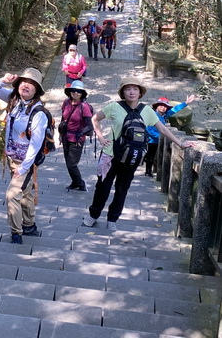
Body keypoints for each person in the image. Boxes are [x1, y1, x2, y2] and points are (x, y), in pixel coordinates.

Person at [83, 77, 197, 230]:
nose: (131, 92)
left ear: (140, 92)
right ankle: (93, 215)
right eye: (128, 89)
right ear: (123, 92)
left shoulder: (147, 110)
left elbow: (162, 129)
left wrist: (180, 143)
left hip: (132, 157)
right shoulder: (114, 107)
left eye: (135, 89)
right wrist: (101, 137)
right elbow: (95, 118)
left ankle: (113, 219)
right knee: (102, 188)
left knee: (122, 189)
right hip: (111, 155)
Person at [0, 68, 47, 244]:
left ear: (37, 90)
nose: (26, 85)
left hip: (26, 162)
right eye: (23, 81)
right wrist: (4, 80)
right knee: (25, 192)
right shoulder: (14, 100)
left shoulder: (39, 114)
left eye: (31, 83)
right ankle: (29, 225)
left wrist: (23, 167)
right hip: (12, 157)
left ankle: (16, 232)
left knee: (12, 194)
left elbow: (36, 145)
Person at [145, 95, 196, 177]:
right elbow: (149, 130)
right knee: (151, 155)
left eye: (165, 106)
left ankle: (147, 164)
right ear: (157, 107)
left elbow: (175, 109)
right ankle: (148, 171)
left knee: (152, 155)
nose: (163, 108)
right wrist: (160, 137)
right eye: (161, 105)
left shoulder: (164, 115)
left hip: (159, 140)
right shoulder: (153, 115)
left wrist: (186, 103)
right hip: (152, 140)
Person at [60, 81, 93, 192]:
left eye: (79, 91)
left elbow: (89, 125)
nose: (75, 93)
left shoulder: (84, 106)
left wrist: (80, 134)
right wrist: (60, 134)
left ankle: (81, 183)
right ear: (69, 92)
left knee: (71, 164)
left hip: (77, 139)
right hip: (66, 136)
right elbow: (63, 119)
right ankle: (75, 183)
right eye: (73, 90)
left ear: (82, 93)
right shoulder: (66, 102)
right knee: (68, 162)